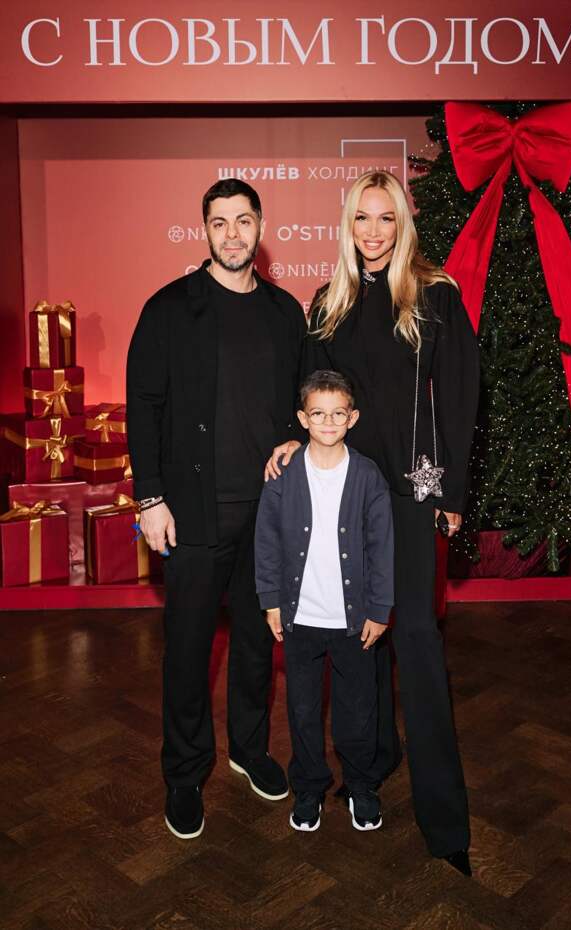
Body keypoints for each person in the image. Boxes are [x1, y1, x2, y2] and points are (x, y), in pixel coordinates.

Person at [266, 171, 479, 875]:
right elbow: (313, 393)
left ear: (403, 224)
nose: (374, 231)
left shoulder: (435, 295)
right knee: (365, 633)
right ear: (348, 224)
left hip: (414, 494)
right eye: (363, 217)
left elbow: (459, 396)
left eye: (387, 218)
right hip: (349, 496)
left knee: (414, 637)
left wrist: (449, 490)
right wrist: (294, 441)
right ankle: (378, 758)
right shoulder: (329, 303)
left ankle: (445, 822)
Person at [127, 178, 307, 839]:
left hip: (268, 513)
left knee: (259, 642)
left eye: (243, 220)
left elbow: (304, 399)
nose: (232, 233)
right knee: (188, 650)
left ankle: (249, 750)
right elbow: (143, 406)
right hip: (193, 513)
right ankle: (184, 774)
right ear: (204, 229)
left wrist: (297, 438)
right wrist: (150, 498)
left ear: (261, 226)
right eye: (219, 222)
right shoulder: (170, 309)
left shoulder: (286, 313)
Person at [255, 369, 394, 832]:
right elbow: (266, 541)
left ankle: (360, 785)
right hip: (301, 619)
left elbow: (382, 548)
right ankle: (309, 786)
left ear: (352, 417)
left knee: (359, 710)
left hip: (353, 622)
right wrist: (271, 600)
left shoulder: (368, 476)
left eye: (338, 414)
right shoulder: (283, 473)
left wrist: (379, 609)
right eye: (318, 414)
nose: (328, 422)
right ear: (303, 419)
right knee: (302, 709)